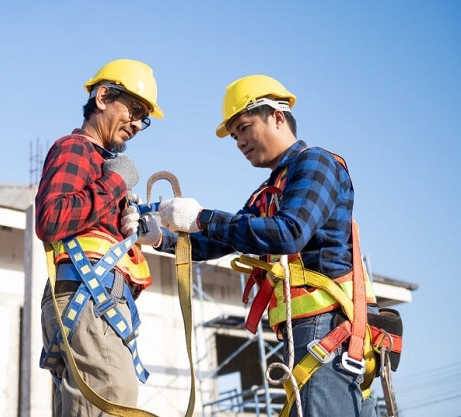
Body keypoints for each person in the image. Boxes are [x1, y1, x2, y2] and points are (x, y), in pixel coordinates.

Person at [141, 74, 381, 416]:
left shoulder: (316, 163)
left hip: (328, 327)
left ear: (278, 117)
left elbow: (289, 233)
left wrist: (202, 217)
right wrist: (161, 237)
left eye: (244, 127)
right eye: (234, 134)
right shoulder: (271, 188)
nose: (239, 141)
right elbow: (220, 240)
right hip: (309, 332)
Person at [35, 58, 164, 416]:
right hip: (88, 296)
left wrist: (134, 224)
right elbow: (51, 218)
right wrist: (115, 182)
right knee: (110, 401)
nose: (138, 124)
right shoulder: (75, 149)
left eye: (145, 119)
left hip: (94, 298)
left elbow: (87, 220)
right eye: (134, 110)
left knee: (95, 404)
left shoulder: (99, 162)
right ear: (103, 97)